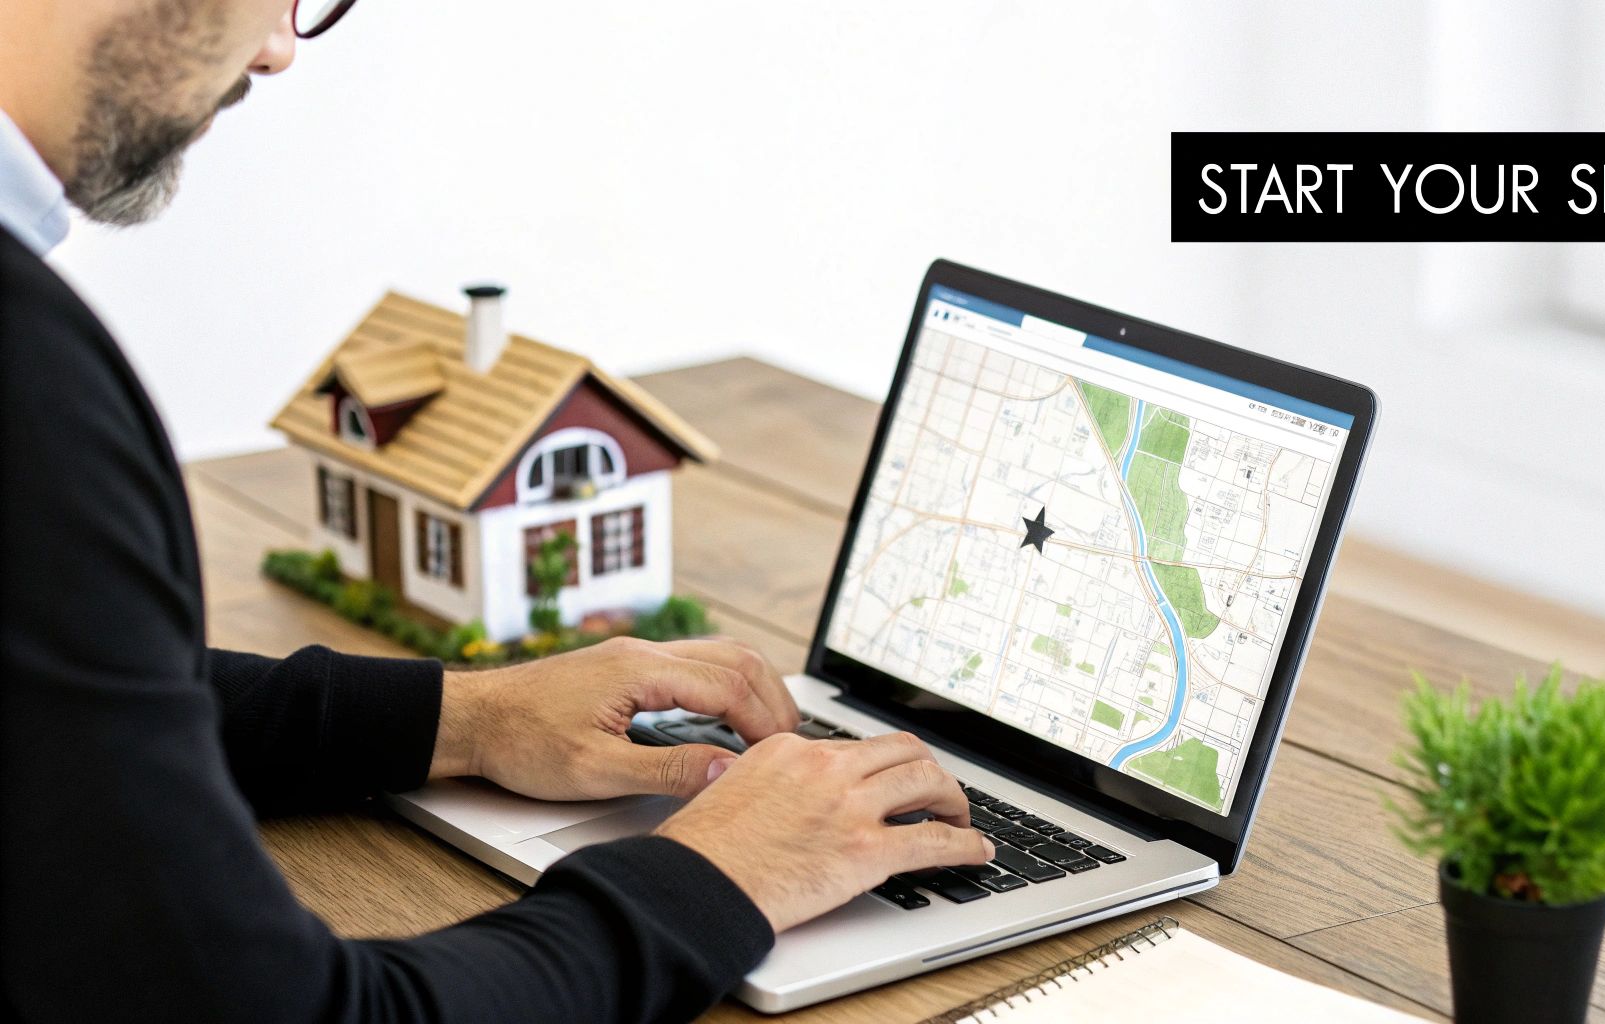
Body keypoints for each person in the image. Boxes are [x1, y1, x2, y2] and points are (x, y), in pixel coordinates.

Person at [0, 1, 995, 1020]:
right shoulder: (26, 381)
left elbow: (58, 713)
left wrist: (465, 718)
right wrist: (722, 874)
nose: (278, 48)